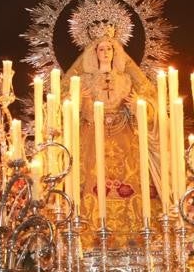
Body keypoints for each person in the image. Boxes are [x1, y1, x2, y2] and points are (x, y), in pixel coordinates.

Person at [62, 25, 159, 245]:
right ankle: (90, 236)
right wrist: (80, 103)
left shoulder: (126, 79)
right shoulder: (84, 80)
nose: (105, 53)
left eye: (109, 49)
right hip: (91, 136)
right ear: (94, 53)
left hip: (125, 135)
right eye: (101, 49)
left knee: (135, 180)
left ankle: (134, 237)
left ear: (116, 52)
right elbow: (63, 106)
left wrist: (138, 107)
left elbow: (150, 104)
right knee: (91, 180)